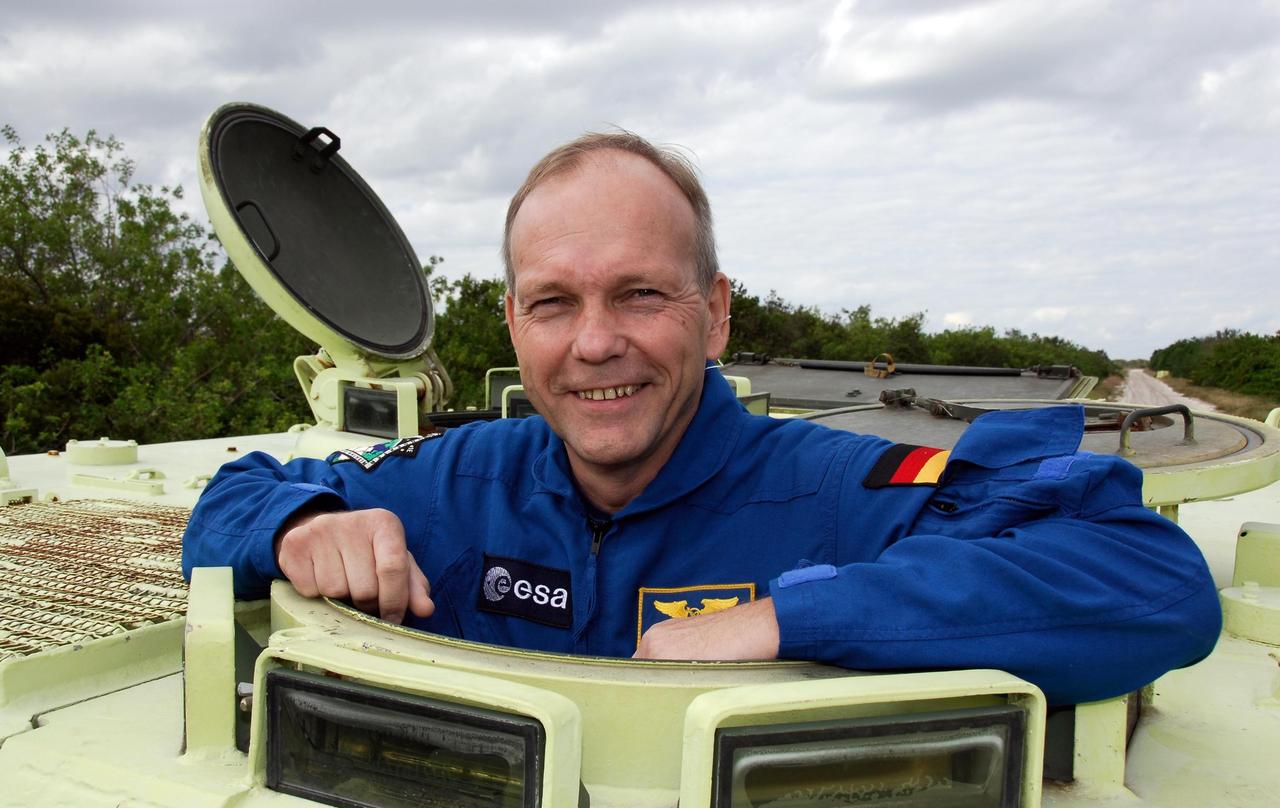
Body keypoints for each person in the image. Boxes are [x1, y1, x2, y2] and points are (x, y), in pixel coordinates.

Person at [182, 132, 1221, 705]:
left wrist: (789, 622)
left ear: (713, 313)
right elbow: (229, 498)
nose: (594, 343)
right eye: (553, 302)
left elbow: (1146, 580)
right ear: (513, 321)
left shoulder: (840, 490)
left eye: (639, 294)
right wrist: (301, 525)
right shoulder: (456, 477)